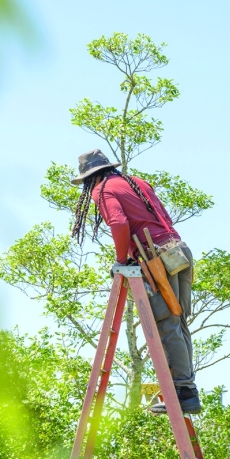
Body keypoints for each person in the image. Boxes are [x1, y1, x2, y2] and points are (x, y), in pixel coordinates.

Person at [70, 149, 200, 415]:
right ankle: (187, 391)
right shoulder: (136, 182)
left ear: (88, 178)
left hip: (157, 258)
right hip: (179, 250)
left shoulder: (102, 190)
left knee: (167, 323)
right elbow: (163, 216)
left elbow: (118, 223)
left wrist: (121, 261)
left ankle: (184, 392)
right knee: (178, 321)